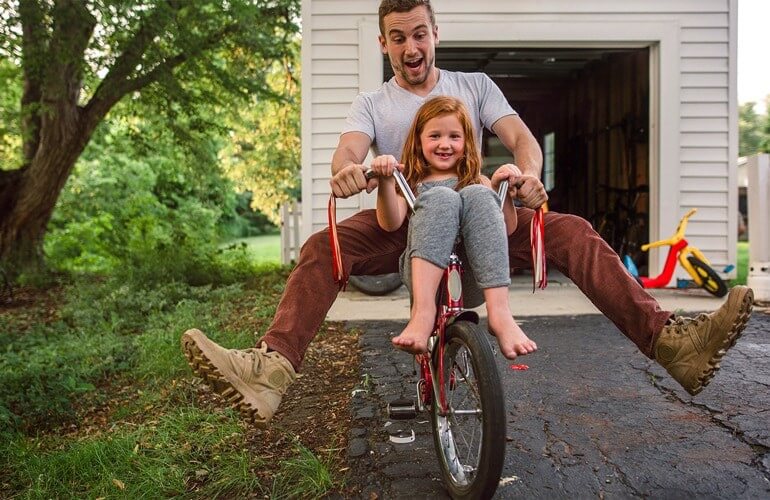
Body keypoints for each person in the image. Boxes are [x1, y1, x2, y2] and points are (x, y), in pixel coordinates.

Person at [181, 0, 754, 428]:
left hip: (481, 212)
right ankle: (271, 371)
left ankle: (673, 344)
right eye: (399, 37)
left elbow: (522, 140)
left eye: (421, 34)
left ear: (436, 34)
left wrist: (529, 175)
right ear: (384, 43)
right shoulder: (372, 103)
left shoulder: (473, 86)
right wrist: (347, 170)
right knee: (320, 248)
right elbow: (348, 149)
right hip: (408, 220)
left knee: (573, 233)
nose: (412, 47)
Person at [371, 95, 536, 359]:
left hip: (472, 279)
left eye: (454, 137)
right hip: (427, 282)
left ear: (467, 142)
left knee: (480, 195)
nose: (444, 144)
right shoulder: (413, 184)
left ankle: (500, 313)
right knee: (441, 197)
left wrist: (501, 189)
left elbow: (505, 228)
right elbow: (389, 223)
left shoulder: (478, 181)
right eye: (434, 136)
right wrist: (386, 182)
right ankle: (422, 315)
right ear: (419, 141)